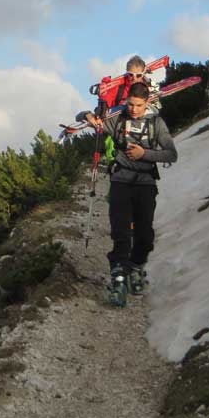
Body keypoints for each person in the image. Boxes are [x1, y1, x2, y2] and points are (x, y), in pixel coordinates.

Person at [77, 82, 178, 307]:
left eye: (138, 105)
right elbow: (87, 119)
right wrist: (88, 115)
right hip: (120, 180)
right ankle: (119, 279)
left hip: (146, 183)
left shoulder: (156, 123)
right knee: (121, 232)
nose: (133, 109)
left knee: (145, 236)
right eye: (130, 104)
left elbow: (171, 154)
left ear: (147, 103)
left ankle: (135, 267)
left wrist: (145, 154)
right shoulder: (118, 119)